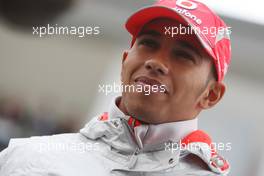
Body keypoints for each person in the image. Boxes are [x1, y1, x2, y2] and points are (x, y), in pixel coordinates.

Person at [0, 0, 231, 175]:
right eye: (148, 43)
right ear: (124, 64)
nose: (156, 62)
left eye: (183, 55)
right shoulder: (27, 158)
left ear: (211, 94)